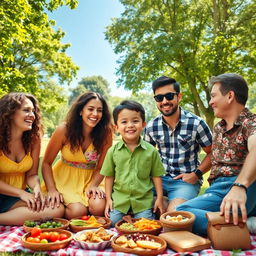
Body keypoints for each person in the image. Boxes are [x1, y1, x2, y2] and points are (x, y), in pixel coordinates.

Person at [177, 73, 256, 235]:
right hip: (217, 189)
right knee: (180, 215)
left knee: (182, 213)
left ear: (230, 96)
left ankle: (244, 226)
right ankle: (240, 223)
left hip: (239, 187)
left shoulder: (250, 123)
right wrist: (197, 173)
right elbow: (214, 157)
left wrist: (239, 187)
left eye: (213, 96)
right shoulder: (219, 127)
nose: (210, 102)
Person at [144, 76, 212, 212]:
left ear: (179, 97)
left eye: (169, 96)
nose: (164, 101)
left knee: (174, 215)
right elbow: (145, 157)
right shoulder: (151, 126)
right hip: (159, 180)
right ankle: (163, 201)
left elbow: (213, 152)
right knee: (136, 206)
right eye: (159, 98)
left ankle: (171, 204)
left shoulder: (196, 123)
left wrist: (196, 174)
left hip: (184, 182)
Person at [41, 92, 112, 219]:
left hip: (92, 177)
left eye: (99, 110)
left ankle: (80, 209)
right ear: (80, 111)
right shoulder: (64, 130)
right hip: (65, 178)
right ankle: (63, 208)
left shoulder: (106, 133)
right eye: (90, 109)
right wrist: (52, 189)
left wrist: (94, 185)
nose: (95, 114)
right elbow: (46, 163)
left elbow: (102, 167)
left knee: (98, 208)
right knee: (77, 212)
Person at [0, 92, 64, 225]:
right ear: (10, 113)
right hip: (12, 193)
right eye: (26, 110)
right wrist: (20, 193)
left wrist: (36, 188)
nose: (32, 115)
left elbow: (32, 174)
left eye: (33, 111)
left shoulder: (33, 140)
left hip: (16, 196)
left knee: (57, 209)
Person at [100, 100, 165, 225]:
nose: (130, 125)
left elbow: (156, 176)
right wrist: (108, 199)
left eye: (135, 121)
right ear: (116, 127)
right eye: (124, 122)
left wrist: (160, 198)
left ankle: (131, 220)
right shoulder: (112, 151)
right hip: (120, 201)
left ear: (143, 124)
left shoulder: (151, 151)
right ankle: (126, 219)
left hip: (142, 202)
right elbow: (109, 177)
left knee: (146, 224)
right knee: (112, 223)